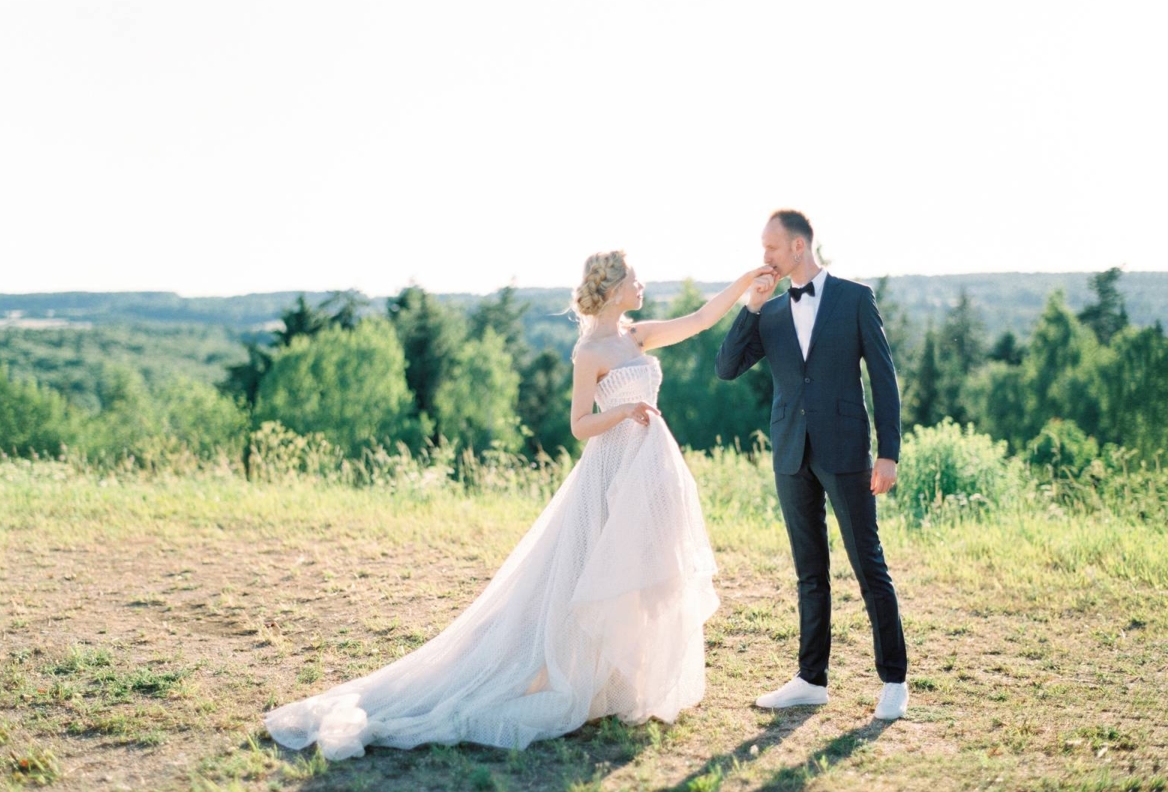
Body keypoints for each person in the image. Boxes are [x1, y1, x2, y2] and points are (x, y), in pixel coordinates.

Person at [264, 252, 775, 758]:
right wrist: (621, 410)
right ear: (615, 287)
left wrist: (745, 284)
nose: (642, 286)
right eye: (635, 280)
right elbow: (579, 426)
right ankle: (583, 678)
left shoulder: (637, 335)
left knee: (649, 573)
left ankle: (632, 684)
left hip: (650, 470)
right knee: (597, 574)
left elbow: (702, 319)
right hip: (611, 469)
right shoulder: (591, 352)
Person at [715, 210, 909, 720]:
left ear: (798, 248)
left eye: (772, 248)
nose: (765, 258)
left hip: (846, 450)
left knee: (869, 565)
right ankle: (810, 679)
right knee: (809, 571)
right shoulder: (773, 311)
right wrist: (752, 309)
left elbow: (884, 379)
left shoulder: (854, 298)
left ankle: (893, 679)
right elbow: (727, 368)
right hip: (790, 450)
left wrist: (888, 451)